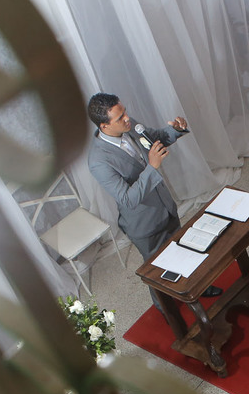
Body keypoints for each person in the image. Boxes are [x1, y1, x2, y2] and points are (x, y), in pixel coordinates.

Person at [86, 92, 221, 296]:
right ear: (104, 126)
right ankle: (166, 311)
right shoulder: (98, 161)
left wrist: (175, 130)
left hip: (165, 206)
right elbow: (128, 199)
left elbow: (155, 139)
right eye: (120, 117)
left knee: (184, 252)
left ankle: (198, 288)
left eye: (125, 112)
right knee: (158, 271)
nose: (127, 118)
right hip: (144, 224)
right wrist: (152, 167)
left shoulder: (130, 127)